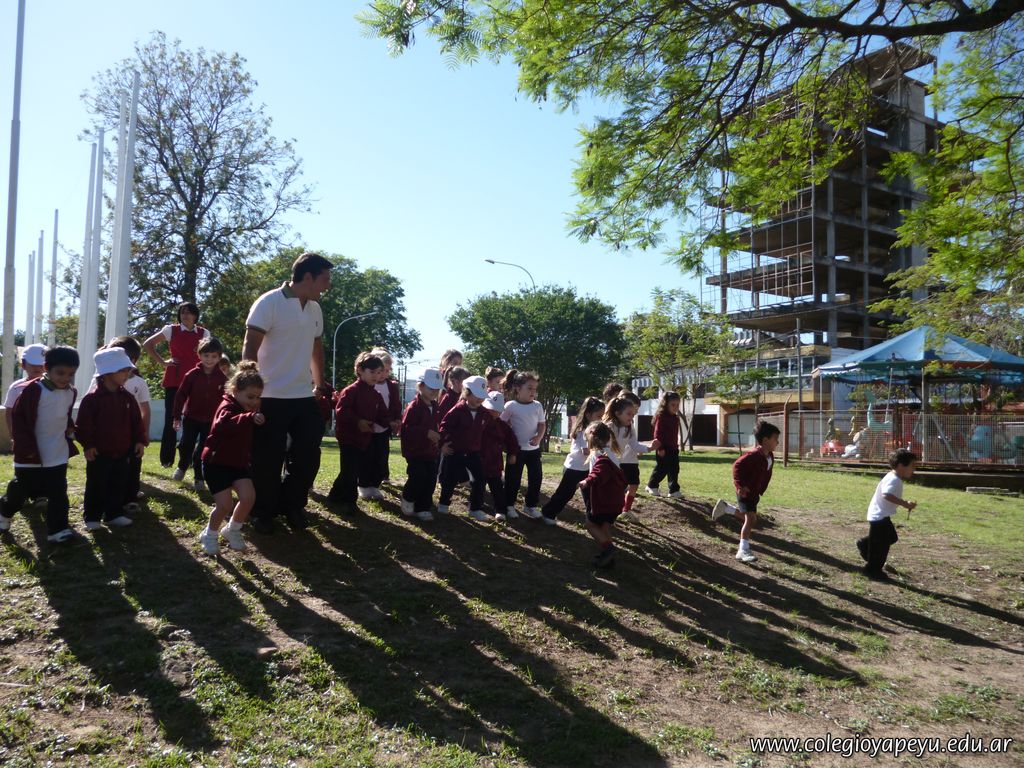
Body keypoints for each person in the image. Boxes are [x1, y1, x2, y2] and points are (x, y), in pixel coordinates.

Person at [243, 252, 332, 533]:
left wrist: (319, 384)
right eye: (325, 280)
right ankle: (263, 512)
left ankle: (292, 505)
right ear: (308, 277)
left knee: (308, 455)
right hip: (269, 396)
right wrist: (250, 392)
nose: (327, 286)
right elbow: (250, 347)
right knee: (266, 460)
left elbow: (316, 348)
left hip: (303, 396)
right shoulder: (269, 302)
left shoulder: (315, 309)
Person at [0, 346, 80, 542]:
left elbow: (65, 415)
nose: (65, 378)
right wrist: (25, 448)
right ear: (46, 368)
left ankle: (58, 530)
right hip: (30, 453)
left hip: (57, 452)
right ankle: (4, 512)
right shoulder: (33, 390)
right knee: (20, 491)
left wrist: (70, 428)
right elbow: (19, 420)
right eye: (60, 373)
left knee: (58, 492)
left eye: (70, 374)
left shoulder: (71, 392)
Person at [198, 361, 266, 556]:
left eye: (258, 397)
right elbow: (223, 426)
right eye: (250, 397)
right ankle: (209, 534)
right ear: (235, 391)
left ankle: (232, 529)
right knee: (224, 505)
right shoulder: (226, 406)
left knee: (248, 497)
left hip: (237, 464)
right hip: (216, 463)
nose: (254, 401)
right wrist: (248, 418)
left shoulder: (247, 410)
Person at [76, 348, 146, 531]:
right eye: (122, 370)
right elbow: (84, 425)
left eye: (127, 370)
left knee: (118, 483)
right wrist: (88, 445)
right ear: (107, 372)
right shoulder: (91, 399)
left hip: (122, 451)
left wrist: (140, 440)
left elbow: (136, 422)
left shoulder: (128, 398)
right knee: (96, 485)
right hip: (99, 453)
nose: (127, 374)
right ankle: (92, 517)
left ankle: (113, 514)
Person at [142, 302, 210, 467]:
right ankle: (167, 459)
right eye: (182, 312)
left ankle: (190, 458)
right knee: (171, 419)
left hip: (196, 381)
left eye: (189, 312)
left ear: (195, 315)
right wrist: (163, 362)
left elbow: (209, 355)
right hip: (174, 379)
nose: (185, 315)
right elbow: (147, 344)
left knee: (194, 420)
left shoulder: (204, 333)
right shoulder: (171, 330)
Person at [329, 352, 395, 512]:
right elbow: (341, 410)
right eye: (372, 372)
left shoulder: (375, 394)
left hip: (364, 439)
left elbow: (382, 415)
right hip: (348, 438)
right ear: (360, 370)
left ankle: (335, 495)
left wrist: (392, 423)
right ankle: (350, 502)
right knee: (351, 470)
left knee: (351, 469)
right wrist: (358, 421)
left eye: (379, 372)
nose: (376, 376)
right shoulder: (351, 390)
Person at [711, 420, 781, 563]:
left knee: (749, 518)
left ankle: (726, 508)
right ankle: (743, 550)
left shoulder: (769, 456)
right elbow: (737, 466)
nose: (777, 442)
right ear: (765, 440)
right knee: (750, 519)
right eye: (775, 439)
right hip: (745, 492)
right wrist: (740, 486)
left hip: (754, 493)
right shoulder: (754, 455)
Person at [172, 336, 227, 491]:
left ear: (219, 357)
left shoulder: (222, 378)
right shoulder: (191, 375)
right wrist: (176, 416)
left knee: (202, 450)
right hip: (191, 418)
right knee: (185, 445)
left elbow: (226, 400)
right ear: (199, 355)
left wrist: (223, 418)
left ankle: (199, 477)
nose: (210, 359)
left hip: (210, 421)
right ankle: (182, 465)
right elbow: (180, 396)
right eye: (206, 355)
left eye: (214, 356)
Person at [541, 396, 604, 525]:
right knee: (565, 493)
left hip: (585, 468)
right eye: (599, 416)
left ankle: (593, 518)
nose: (601, 419)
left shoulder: (594, 430)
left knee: (590, 494)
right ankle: (548, 513)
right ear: (588, 415)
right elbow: (586, 451)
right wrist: (602, 452)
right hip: (574, 469)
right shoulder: (584, 430)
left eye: (602, 416)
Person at [106, 336, 152, 512]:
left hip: (132, 432)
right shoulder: (101, 381)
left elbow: (145, 409)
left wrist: (143, 434)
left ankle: (130, 497)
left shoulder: (139, 383)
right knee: (112, 465)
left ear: (132, 360)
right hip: (110, 433)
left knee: (133, 464)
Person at [857, 449, 918, 580]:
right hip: (879, 516)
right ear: (901, 465)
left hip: (881, 515)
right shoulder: (894, 480)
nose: (914, 469)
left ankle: (865, 544)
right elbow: (887, 495)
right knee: (881, 546)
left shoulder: (893, 477)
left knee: (891, 537)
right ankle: (872, 569)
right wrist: (904, 503)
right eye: (912, 465)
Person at [437, 375, 491, 521]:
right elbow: (444, 427)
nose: (480, 399)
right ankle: (443, 503)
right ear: (467, 393)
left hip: (473, 452)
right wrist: (443, 444)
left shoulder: (484, 413)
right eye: (476, 395)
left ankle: (475, 508)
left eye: (482, 396)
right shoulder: (457, 410)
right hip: (455, 451)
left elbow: (487, 431)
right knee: (449, 479)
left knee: (480, 479)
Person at [578, 422, 625, 569]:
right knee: (604, 527)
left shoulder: (600, 456)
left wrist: (587, 481)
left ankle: (609, 549)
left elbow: (598, 472)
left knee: (590, 524)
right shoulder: (612, 455)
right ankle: (609, 559)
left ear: (592, 439)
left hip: (604, 500)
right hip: (616, 501)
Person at [500, 370, 546, 519]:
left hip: (534, 450)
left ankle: (530, 506)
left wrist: (538, 437)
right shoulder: (510, 406)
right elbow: (501, 424)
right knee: (512, 479)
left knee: (536, 478)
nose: (533, 391)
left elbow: (542, 424)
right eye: (529, 388)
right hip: (516, 451)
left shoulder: (537, 406)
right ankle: (509, 505)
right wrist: (506, 442)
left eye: (535, 388)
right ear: (518, 388)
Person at [605, 394, 657, 523]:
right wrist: (615, 463)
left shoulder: (629, 427)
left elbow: (634, 445)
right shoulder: (609, 427)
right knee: (611, 489)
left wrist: (650, 448)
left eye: (633, 415)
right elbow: (604, 449)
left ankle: (624, 510)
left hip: (618, 463)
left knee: (628, 486)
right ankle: (605, 512)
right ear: (618, 413)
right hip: (608, 464)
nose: (632, 417)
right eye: (629, 414)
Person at [400, 367, 443, 522]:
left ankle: (423, 507)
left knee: (430, 479)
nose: (434, 392)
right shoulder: (414, 407)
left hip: (430, 451)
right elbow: (406, 429)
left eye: (437, 389)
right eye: (431, 388)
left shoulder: (435, 406)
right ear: (421, 386)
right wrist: (425, 432)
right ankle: (408, 497)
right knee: (418, 476)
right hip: (415, 451)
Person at [480, 390, 519, 521]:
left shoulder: (502, 426)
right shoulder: (478, 422)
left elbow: (512, 441)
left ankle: (500, 510)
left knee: (497, 488)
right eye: (491, 409)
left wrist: (513, 453)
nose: (493, 412)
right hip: (479, 461)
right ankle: (476, 506)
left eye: (496, 410)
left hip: (495, 463)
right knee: (478, 486)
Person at [369, 347, 402, 489]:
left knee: (383, 452)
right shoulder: (369, 384)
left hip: (385, 426)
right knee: (370, 453)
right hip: (371, 425)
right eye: (381, 370)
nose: (384, 374)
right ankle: (368, 478)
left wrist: (397, 418)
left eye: (387, 371)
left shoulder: (391, 386)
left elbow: (396, 404)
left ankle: (383, 475)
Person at [646, 391, 683, 498]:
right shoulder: (661, 417)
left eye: (677, 405)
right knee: (662, 469)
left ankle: (674, 490)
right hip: (663, 448)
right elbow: (657, 434)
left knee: (674, 469)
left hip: (673, 448)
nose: (675, 407)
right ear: (666, 404)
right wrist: (660, 448)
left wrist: (676, 445)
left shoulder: (675, 418)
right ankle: (652, 485)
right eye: (673, 405)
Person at [3, 343, 47, 435]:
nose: (37, 368)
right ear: (23, 365)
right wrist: (13, 434)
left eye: (41, 365)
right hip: (24, 434)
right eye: (33, 364)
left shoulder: (53, 386)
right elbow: (9, 412)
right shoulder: (16, 387)